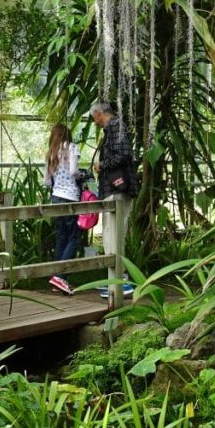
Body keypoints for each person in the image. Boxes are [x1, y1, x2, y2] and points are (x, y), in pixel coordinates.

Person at [90, 100, 138, 299]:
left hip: (118, 189)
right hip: (113, 190)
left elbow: (125, 154)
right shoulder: (112, 129)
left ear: (100, 113)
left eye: (94, 117)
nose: (94, 122)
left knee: (114, 234)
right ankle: (115, 280)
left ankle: (121, 280)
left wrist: (103, 165)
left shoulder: (116, 126)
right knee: (110, 233)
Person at [43, 123, 81, 295]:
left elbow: (46, 181)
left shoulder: (51, 151)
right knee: (74, 238)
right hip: (70, 196)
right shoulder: (72, 148)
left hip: (56, 197)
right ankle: (60, 277)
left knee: (61, 237)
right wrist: (82, 176)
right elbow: (73, 171)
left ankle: (56, 280)